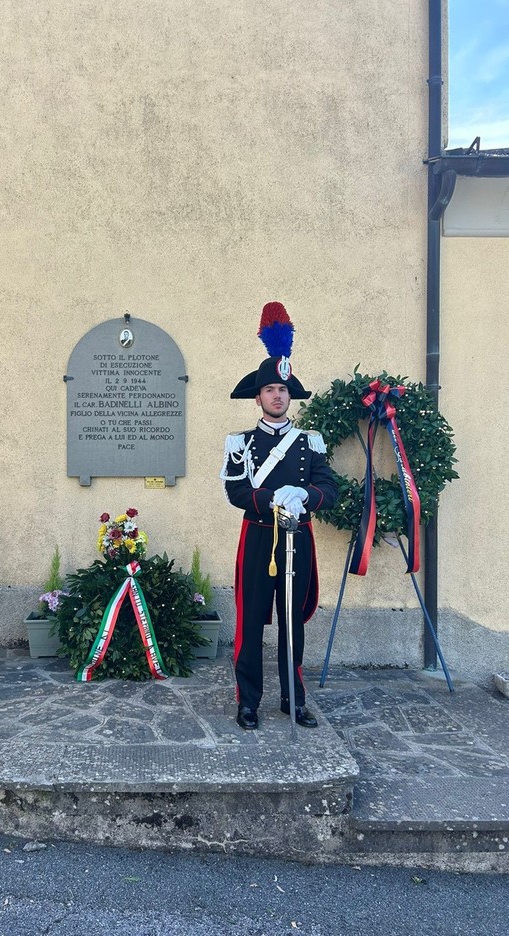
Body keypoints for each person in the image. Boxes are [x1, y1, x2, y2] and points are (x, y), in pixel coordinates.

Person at [221, 301, 337, 730]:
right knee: (251, 622)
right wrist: (272, 498)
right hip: (257, 539)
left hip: (297, 539)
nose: (277, 395)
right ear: (259, 397)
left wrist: (304, 493)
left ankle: (294, 699)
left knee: (293, 623)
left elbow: (330, 491)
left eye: (283, 390)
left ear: (290, 396)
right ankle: (248, 701)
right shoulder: (241, 443)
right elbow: (235, 491)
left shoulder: (310, 443)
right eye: (269, 389)